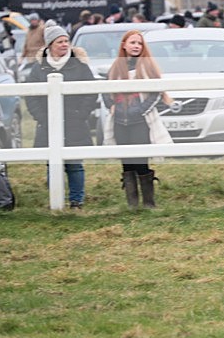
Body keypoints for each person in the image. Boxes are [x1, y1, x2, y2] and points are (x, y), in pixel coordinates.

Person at [25, 21, 96, 209]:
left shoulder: (80, 66)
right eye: (60, 42)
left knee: (75, 164)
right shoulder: (38, 68)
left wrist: (81, 114)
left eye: (66, 41)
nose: (64, 44)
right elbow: (30, 96)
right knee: (52, 164)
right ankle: (56, 201)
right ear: (50, 45)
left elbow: (91, 92)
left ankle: (76, 201)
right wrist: (42, 117)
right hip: (48, 123)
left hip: (75, 122)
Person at [102, 31, 173, 208]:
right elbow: (105, 90)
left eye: (139, 43)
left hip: (140, 121)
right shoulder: (115, 68)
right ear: (124, 45)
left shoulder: (147, 67)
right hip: (119, 121)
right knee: (127, 163)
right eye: (133, 42)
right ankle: (132, 204)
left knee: (141, 161)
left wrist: (141, 110)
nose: (136, 46)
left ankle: (149, 203)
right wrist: (111, 105)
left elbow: (156, 93)